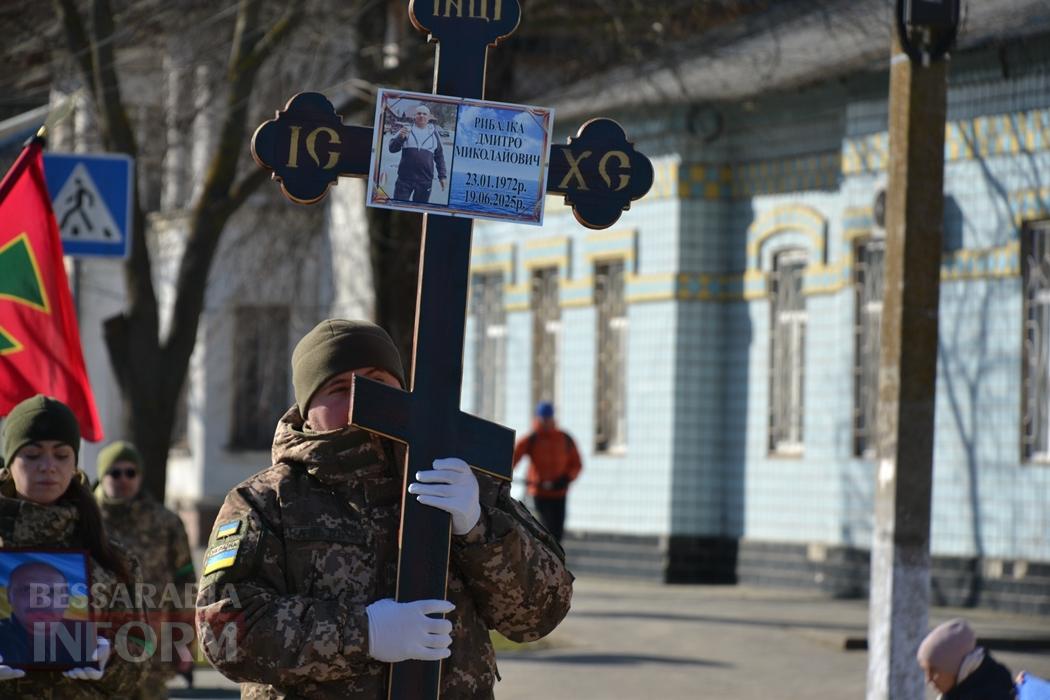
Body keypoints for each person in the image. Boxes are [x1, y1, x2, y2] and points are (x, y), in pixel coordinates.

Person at [196, 319, 573, 699]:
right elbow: (224, 630)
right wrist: (366, 633)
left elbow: (540, 614)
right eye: (340, 388)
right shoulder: (266, 502)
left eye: (378, 381)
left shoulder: (458, 479)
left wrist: (479, 526)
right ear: (308, 410)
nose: (363, 399)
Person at [0, 394, 148, 696]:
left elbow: (142, 657)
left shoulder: (111, 558)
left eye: (61, 454)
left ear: (75, 463)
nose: (48, 466)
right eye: (32, 454)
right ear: (9, 463)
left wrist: (110, 658)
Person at [95, 440, 196, 699]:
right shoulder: (86, 521)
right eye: (114, 472)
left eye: (131, 472)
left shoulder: (165, 523)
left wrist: (183, 644)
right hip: (97, 649)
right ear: (102, 476)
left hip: (152, 650)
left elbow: (184, 586)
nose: (123, 479)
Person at [511, 402, 582, 544]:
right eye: (543, 419)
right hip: (539, 493)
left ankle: (555, 562)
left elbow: (577, 464)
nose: (546, 422)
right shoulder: (532, 439)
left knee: (557, 533)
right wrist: (503, 474)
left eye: (548, 418)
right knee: (542, 530)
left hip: (559, 493)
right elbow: (513, 458)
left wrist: (566, 478)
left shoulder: (564, 439)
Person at [917, 618, 1016, 699]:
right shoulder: (959, 690)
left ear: (956, 667)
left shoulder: (990, 695)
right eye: (925, 670)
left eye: (933, 671)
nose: (928, 679)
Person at [388, 104, 447, 203]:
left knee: (419, 210)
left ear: (428, 117)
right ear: (414, 116)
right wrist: (400, 139)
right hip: (404, 179)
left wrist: (443, 176)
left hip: (425, 181)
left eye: (424, 114)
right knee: (399, 206)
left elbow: (439, 157)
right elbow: (392, 148)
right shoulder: (405, 129)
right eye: (419, 113)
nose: (421, 116)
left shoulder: (434, 133)